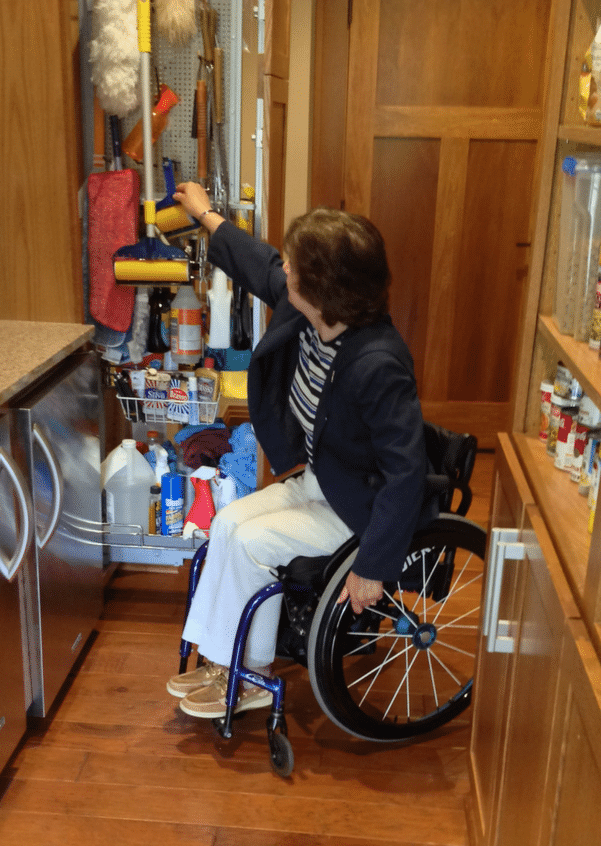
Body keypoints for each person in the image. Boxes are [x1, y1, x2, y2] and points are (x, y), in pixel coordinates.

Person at [165, 181, 438, 718]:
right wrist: (204, 214)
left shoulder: (378, 362)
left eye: (295, 267)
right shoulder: (308, 312)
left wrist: (373, 565)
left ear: (321, 289)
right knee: (226, 525)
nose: (284, 270)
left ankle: (249, 673)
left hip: (360, 507)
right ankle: (223, 663)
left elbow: (406, 473)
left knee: (251, 544)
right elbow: (256, 262)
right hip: (324, 480)